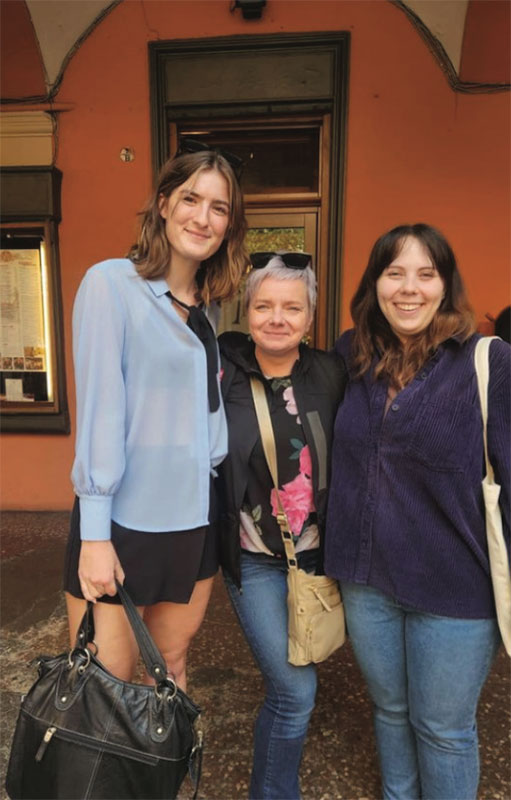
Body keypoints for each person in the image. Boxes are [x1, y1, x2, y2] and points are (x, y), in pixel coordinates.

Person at [325, 223, 510, 800]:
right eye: (394, 272)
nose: (410, 288)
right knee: (391, 711)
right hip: (366, 581)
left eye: (426, 274)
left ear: (446, 285)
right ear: (374, 283)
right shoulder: (349, 353)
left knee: (444, 730)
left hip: (454, 588)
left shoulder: (488, 361)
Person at [63, 145, 248, 689]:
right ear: (164, 204)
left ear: (229, 224)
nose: (203, 217)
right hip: (124, 523)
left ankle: (158, 778)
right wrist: (95, 536)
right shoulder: (111, 285)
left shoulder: (209, 308)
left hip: (194, 521)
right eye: (191, 198)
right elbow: (100, 411)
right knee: (106, 684)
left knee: (169, 675)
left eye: (219, 208)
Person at [218, 252, 347, 800]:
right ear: (246, 312)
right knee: (294, 692)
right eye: (264, 305)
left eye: (292, 307)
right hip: (254, 560)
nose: (277, 318)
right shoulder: (220, 368)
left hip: (323, 555)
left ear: (310, 317)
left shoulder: (333, 373)